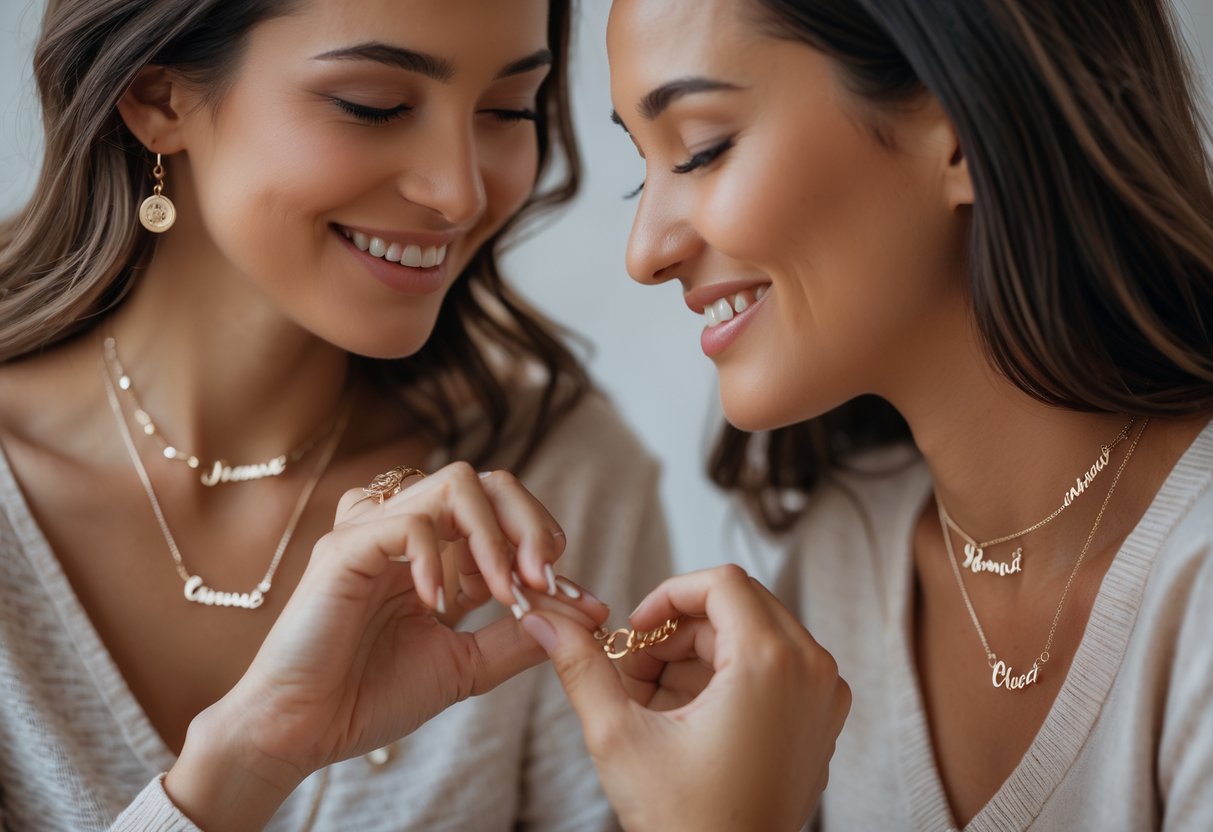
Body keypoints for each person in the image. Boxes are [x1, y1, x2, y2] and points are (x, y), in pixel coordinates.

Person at [519, 0, 1213, 829]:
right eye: (644, 167)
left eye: (702, 150)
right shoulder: (841, 558)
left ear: (959, 128)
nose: (645, 251)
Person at [0, 1, 670, 829]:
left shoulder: (557, 480)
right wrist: (245, 762)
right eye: (374, 106)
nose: (458, 191)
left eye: (506, 111)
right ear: (158, 99)